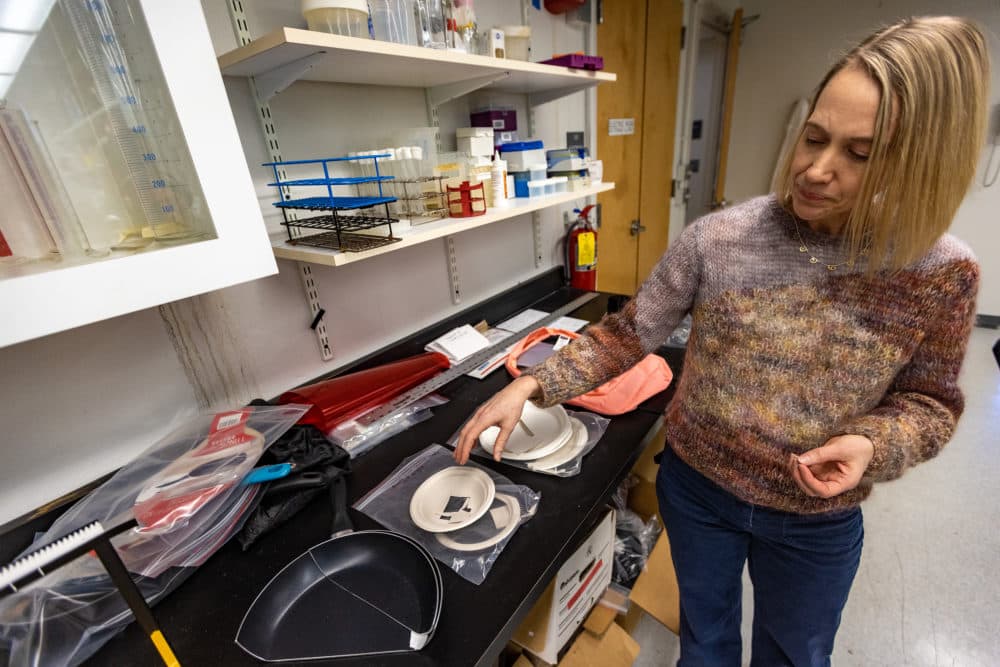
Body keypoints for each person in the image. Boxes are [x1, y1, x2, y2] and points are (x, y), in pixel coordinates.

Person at [454, 15, 989, 667]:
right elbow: (628, 334)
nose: (816, 170)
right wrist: (535, 382)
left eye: (859, 152)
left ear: (915, 163)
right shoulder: (720, 238)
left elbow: (929, 406)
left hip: (815, 521)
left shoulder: (940, 271)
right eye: (813, 137)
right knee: (705, 644)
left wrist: (873, 443)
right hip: (698, 490)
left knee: (793, 656)